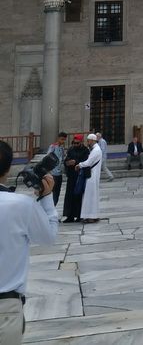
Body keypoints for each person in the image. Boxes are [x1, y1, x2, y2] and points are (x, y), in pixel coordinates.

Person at [0, 140, 58, 344]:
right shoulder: (21, 205)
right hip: (5, 309)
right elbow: (49, 237)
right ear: (7, 169)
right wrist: (47, 197)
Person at [76, 133, 102, 223]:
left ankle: (90, 216)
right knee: (92, 196)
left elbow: (88, 162)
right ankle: (93, 215)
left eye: (88, 140)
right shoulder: (95, 149)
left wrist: (79, 165)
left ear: (92, 140)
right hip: (93, 175)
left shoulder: (96, 150)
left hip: (92, 176)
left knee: (89, 196)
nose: (87, 142)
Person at [63, 134, 89, 222]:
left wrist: (76, 162)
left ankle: (79, 215)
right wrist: (67, 162)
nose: (75, 145)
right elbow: (66, 159)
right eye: (74, 143)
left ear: (81, 142)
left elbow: (86, 161)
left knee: (78, 195)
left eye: (77, 143)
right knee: (69, 195)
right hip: (71, 176)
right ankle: (69, 216)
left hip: (79, 176)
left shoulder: (85, 150)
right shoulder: (71, 149)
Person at [46, 131, 67, 206]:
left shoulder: (62, 148)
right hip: (53, 173)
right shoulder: (53, 146)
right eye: (62, 139)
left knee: (57, 192)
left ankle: (53, 206)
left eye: (64, 140)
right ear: (58, 138)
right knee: (51, 191)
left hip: (59, 173)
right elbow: (47, 157)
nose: (63, 141)